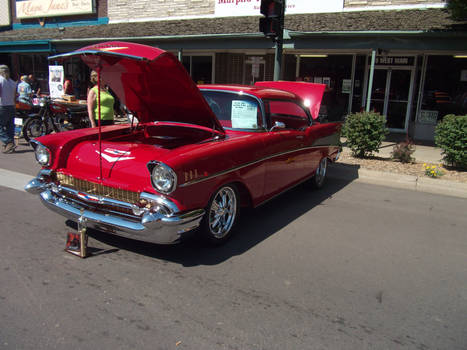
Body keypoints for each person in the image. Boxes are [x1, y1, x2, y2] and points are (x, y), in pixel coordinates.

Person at [0, 65, 18, 153]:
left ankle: (8, 142)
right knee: (10, 127)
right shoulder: (12, 82)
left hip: (2, 105)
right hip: (11, 106)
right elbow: (15, 96)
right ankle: (10, 145)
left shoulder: (0, 80)